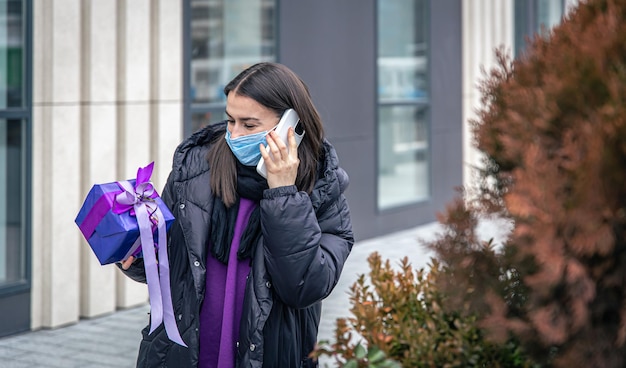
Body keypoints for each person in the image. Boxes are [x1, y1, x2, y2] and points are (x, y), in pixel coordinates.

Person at [119, 62, 354, 367]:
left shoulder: (323, 188)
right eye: (230, 120)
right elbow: (173, 262)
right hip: (182, 353)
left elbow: (304, 287)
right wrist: (138, 257)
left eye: (249, 124)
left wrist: (282, 194)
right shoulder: (193, 168)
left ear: (290, 124)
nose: (235, 134)